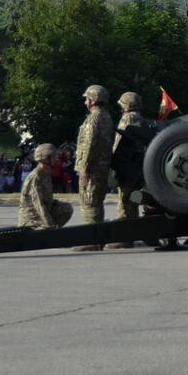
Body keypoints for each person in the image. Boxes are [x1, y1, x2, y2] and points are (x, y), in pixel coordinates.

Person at [72, 84, 115, 251]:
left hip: (92, 167)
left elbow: (89, 144)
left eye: (86, 99)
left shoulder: (93, 119)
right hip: (102, 167)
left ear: (92, 100)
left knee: (89, 202)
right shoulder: (107, 117)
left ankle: (93, 240)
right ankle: (99, 237)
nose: (85, 102)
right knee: (97, 202)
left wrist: (84, 167)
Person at [108, 92, 153, 249]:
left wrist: (112, 162)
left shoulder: (127, 119)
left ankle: (126, 238)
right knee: (133, 201)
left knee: (125, 201)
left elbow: (119, 143)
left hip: (127, 165)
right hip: (138, 166)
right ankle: (134, 234)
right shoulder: (142, 120)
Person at [18, 143, 73, 229]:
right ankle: (45, 232)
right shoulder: (36, 177)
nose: (57, 159)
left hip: (44, 210)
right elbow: (39, 205)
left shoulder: (46, 172)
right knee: (50, 226)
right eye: (54, 156)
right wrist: (51, 225)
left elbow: (46, 200)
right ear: (46, 159)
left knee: (66, 208)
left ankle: (49, 231)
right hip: (32, 218)